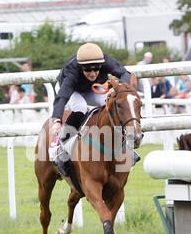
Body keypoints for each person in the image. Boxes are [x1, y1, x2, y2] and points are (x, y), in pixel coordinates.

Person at [50, 42, 137, 176]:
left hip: (91, 88)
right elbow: (62, 97)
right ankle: (60, 148)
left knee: (110, 102)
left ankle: (124, 145)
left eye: (96, 69)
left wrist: (120, 87)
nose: (92, 73)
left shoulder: (106, 61)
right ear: (80, 67)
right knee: (80, 107)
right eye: (88, 70)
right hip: (71, 90)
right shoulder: (71, 72)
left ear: (102, 64)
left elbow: (125, 74)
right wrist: (56, 119)